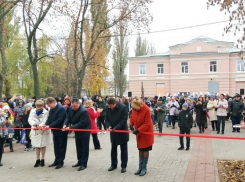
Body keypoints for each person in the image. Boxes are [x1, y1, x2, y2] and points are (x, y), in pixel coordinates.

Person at [63, 97, 91, 171]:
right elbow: (68, 117)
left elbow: (82, 122)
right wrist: (65, 124)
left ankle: (84, 164)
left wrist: (71, 127)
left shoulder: (83, 111)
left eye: (75, 106)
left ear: (79, 104)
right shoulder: (71, 109)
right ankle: (79, 161)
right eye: (72, 106)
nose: (73, 107)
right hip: (77, 130)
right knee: (78, 146)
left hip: (85, 130)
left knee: (84, 147)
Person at [129, 97, 154, 176]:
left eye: (136, 109)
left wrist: (139, 130)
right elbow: (132, 116)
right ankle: (140, 167)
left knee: (145, 149)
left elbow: (147, 123)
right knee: (140, 149)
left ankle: (144, 168)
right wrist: (131, 124)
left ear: (140, 105)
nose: (135, 110)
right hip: (139, 132)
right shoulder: (134, 108)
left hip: (146, 132)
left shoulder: (146, 109)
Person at [106, 97, 129, 173]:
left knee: (124, 150)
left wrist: (115, 128)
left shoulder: (123, 107)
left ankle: (124, 166)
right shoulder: (108, 108)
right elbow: (107, 119)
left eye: (110, 106)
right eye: (108, 106)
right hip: (113, 132)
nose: (109, 107)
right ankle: (113, 164)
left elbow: (123, 120)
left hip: (122, 132)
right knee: (113, 149)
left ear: (114, 103)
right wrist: (108, 126)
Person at [44, 97, 68, 169]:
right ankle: (56, 160)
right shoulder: (51, 109)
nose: (49, 107)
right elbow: (49, 118)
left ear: (54, 103)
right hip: (55, 131)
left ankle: (61, 162)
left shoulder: (61, 109)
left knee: (61, 146)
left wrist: (49, 126)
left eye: (50, 105)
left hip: (61, 130)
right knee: (56, 146)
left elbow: (59, 120)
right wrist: (46, 124)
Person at [28, 100, 52, 167]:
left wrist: (41, 125)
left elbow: (45, 120)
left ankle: (42, 159)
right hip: (36, 130)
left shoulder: (46, 112)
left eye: (40, 106)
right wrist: (34, 124)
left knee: (43, 145)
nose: (39, 108)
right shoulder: (32, 111)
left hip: (43, 130)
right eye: (38, 106)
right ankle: (37, 159)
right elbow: (30, 119)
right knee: (37, 145)